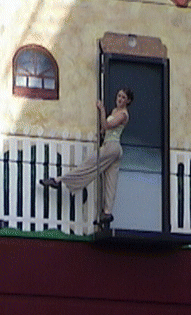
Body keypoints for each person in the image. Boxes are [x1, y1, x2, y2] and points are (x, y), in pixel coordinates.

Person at [40, 88, 134, 229]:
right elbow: (106, 129)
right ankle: (107, 213)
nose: (120, 99)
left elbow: (107, 125)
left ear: (128, 101)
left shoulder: (123, 114)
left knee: (88, 165)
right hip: (111, 145)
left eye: (123, 97)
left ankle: (58, 180)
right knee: (110, 181)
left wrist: (102, 109)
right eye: (119, 95)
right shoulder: (115, 111)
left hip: (112, 146)